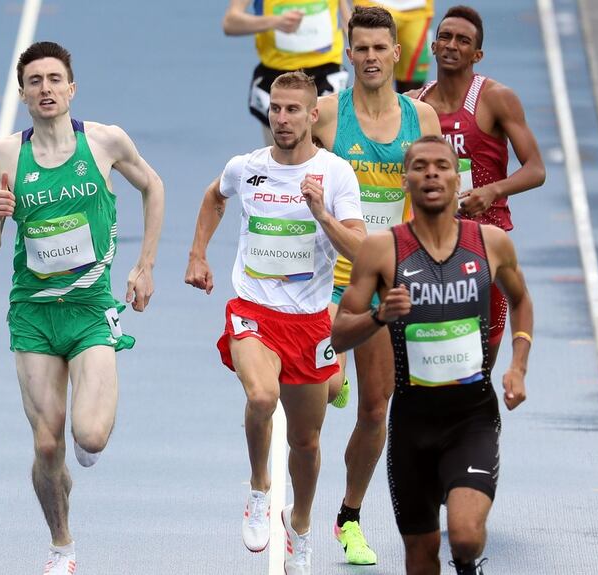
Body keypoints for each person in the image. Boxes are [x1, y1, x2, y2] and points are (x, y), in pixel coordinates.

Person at [0, 41, 165, 575]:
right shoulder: (4, 156)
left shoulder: (104, 142)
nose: (46, 89)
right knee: (45, 441)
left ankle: (85, 440)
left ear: (72, 87)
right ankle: (62, 544)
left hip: (88, 310)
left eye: (55, 79)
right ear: (22, 94)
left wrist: (144, 265)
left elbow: (154, 187)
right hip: (33, 313)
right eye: (35, 81)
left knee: (89, 436)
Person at [185, 71, 365, 575]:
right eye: (276, 109)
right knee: (261, 397)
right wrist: (198, 254)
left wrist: (320, 213)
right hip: (253, 311)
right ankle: (259, 488)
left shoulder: (335, 175)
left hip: (309, 321)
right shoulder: (246, 167)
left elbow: (360, 247)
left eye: (293, 110)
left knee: (306, 443)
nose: (282, 119)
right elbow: (213, 198)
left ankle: (301, 528)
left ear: (313, 116)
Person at [332, 135, 534, 575]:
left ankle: (467, 566)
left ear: (455, 177)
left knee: (464, 535)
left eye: (442, 166)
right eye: (420, 166)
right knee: (421, 559)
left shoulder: (491, 242)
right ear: (405, 181)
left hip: (472, 417)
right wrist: (379, 317)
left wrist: (518, 366)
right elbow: (340, 332)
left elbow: (520, 300)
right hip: (411, 423)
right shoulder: (382, 249)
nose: (431, 174)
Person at [311, 5, 440, 565]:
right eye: (359, 48)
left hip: (387, 284)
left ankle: (349, 517)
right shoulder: (323, 115)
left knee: (374, 408)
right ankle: (325, 375)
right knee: (319, 389)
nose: (369, 58)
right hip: (324, 281)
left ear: (395, 52)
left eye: (378, 48)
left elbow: (437, 198)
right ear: (348, 50)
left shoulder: (423, 121)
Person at [409, 4, 545, 363]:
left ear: (477, 54)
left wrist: (492, 191)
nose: (452, 45)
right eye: (445, 37)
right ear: (433, 46)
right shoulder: (414, 105)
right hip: (428, 249)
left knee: (478, 366)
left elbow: (536, 169)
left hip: (485, 247)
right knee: (430, 362)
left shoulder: (495, 99)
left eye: (463, 40)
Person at [223, 0, 352, 144]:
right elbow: (230, 23)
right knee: (281, 157)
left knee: (325, 155)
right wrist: (275, 22)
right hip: (276, 78)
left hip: (326, 74)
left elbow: (349, 20)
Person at [354, 0, 436, 92]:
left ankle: (404, 106)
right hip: (375, 3)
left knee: (414, 78)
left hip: (418, 8)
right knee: (373, 66)